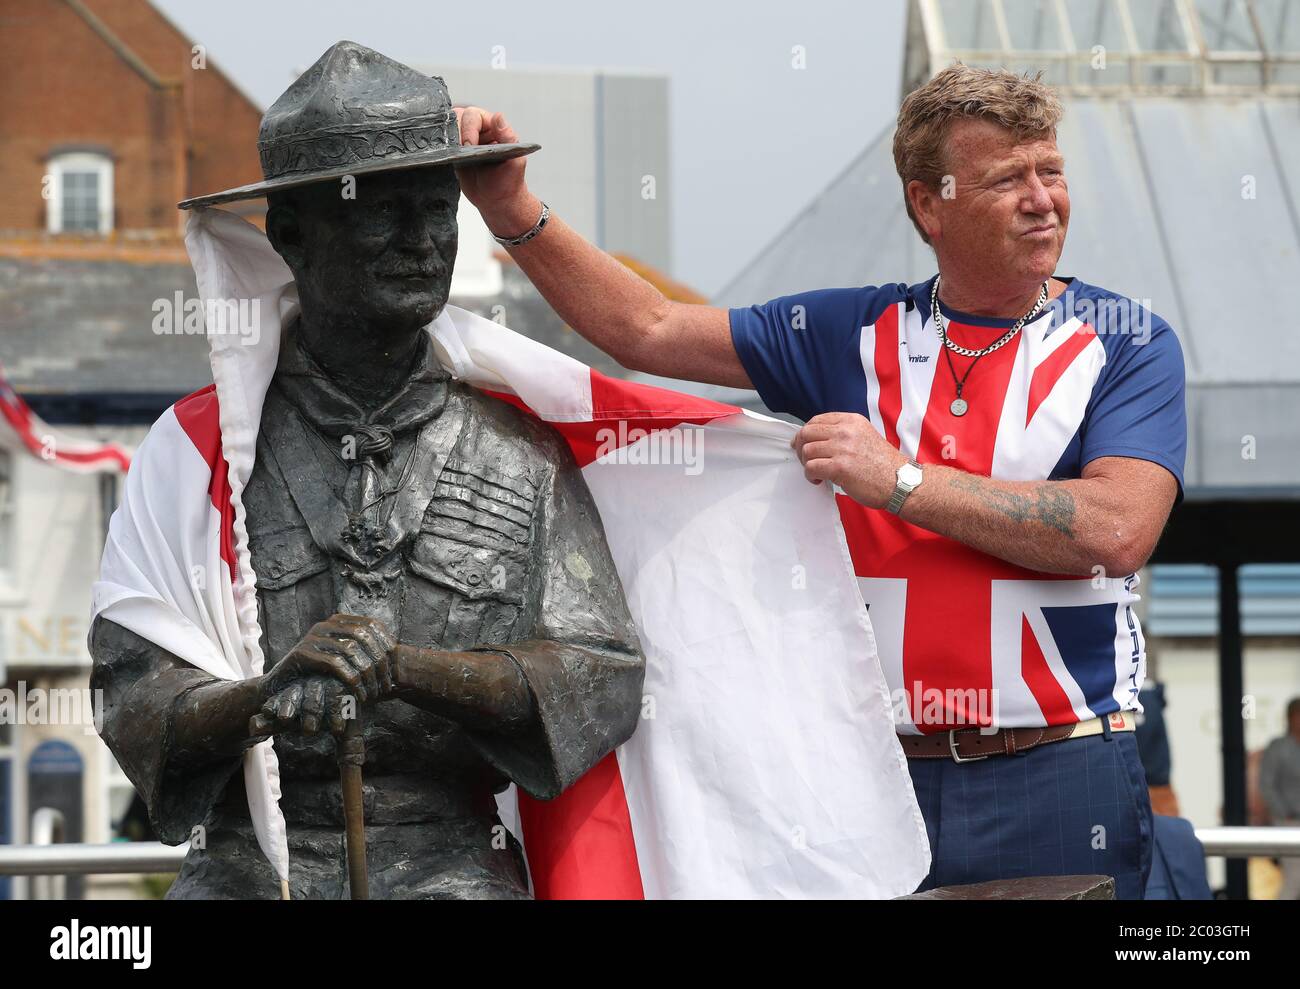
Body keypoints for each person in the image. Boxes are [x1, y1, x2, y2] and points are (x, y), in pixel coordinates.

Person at [453, 62, 1187, 899]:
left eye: (1050, 171)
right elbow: (647, 329)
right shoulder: (848, 332)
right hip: (864, 775)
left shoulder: (1128, 341)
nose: (1042, 198)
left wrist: (901, 480)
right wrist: (510, 208)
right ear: (928, 203)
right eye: (1006, 178)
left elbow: (1116, 530)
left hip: (1058, 767)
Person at [90, 42, 644, 900]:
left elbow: (599, 673)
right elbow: (132, 696)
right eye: (382, 215)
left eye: (437, 212)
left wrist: (411, 670)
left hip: (453, 864)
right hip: (251, 869)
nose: (422, 244)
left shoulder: (520, 453)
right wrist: (264, 698)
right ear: (292, 235)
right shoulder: (195, 454)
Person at [1259, 697, 1300, 899]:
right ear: (1290, 718)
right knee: (1294, 879)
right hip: (1289, 823)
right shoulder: (1278, 747)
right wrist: (1285, 814)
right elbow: (1266, 785)